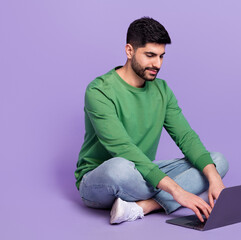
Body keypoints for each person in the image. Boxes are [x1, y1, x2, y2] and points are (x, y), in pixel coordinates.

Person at [74, 17, 229, 225]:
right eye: (150, 55)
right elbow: (123, 148)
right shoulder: (99, 91)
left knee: (216, 162)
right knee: (119, 168)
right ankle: (172, 198)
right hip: (102, 179)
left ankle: (143, 206)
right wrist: (178, 191)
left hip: (144, 173)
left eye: (161, 56)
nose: (157, 64)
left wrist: (214, 179)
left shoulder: (162, 90)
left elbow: (186, 137)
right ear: (129, 51)